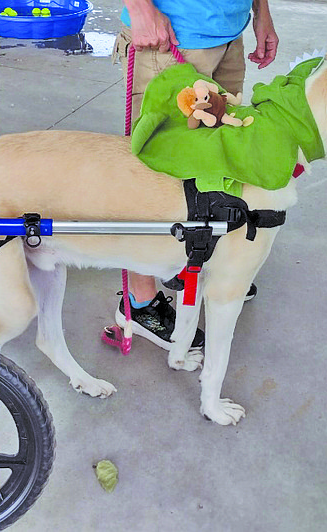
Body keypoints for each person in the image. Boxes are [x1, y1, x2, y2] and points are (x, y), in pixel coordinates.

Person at [113, 0, 279, 350]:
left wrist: (261, 12)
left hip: (228, 30)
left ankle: (196, 262)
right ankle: (139, 302)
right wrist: (140, 8)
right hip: (172, 33)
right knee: (152, 174)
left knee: (215, 154)